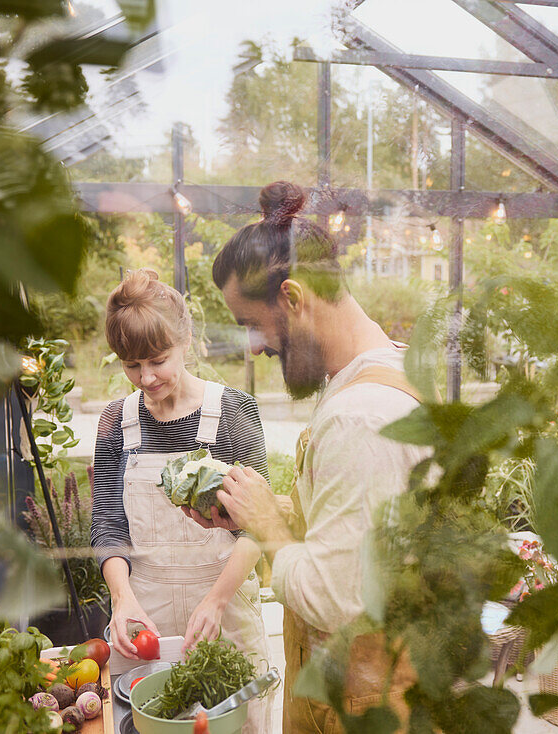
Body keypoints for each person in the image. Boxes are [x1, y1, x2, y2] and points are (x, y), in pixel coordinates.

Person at [190, 181, 432, 733]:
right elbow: (354, 530)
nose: (255, 346)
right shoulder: (375, 373)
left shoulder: (363, 415)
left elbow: (334, 598)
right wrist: (253, 510)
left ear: (294, 298)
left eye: (253, 324)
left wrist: (269, 527)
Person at [89, 268, 270, 733]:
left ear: (185, 338)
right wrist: (122, 598)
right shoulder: (116, 423)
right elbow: (109, 526)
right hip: (145, 618)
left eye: (157, 359)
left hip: (225, 614)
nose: (146, 378)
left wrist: (215, 600)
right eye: (131, 365)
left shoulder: (235, 412)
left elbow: (258, 525)